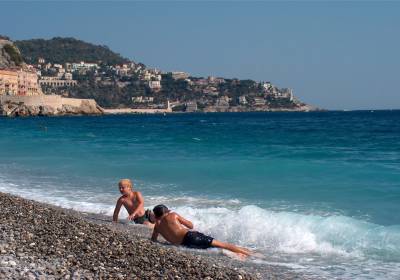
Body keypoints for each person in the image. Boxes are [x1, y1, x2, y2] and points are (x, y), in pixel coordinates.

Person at [150, 204, 251, 258]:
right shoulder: (173, 215)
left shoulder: (157, 227)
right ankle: (251, 254)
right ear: (167, 211)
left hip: (185, 245)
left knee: (212, 247)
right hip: (191, 236)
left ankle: (238, 254)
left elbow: (154, 240)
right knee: (222, 244)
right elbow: (190, 225)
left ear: (156, 215)